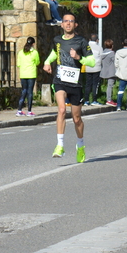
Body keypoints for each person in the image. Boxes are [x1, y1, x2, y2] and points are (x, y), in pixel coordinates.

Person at [42, 12, 96, 162]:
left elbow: (92, 62)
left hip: (76, 84)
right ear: (62, 24)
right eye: (65, 21)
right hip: (60, 80)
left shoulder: (81, 41)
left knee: (77, 118)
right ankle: (60, 145)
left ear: (75, 25)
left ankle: (80, 145)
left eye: (71, 21)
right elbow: (54, 53)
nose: (68, 24)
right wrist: (47, 62)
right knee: (61, 109)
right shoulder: (57, 40)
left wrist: (79, 58)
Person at [17, 36, 39, 116]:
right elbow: (37, 62)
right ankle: (29, 111)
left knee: (24, 91)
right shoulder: (35, 53)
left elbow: (18, 64)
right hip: (31, 74)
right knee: (30, 92)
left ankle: (19, 110)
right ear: (33, 44)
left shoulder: (20, 52)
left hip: (23, 74)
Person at [83, 36, 103, 106]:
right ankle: (94, 100)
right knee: (95, 84)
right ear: (97, 40)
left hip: (88, 68)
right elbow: (101, 57)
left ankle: (86, 100)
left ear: (89, 39)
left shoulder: (86, 46)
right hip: (97, 68)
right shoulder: (99, 48)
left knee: (88, 84)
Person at [99, 38, 117, 106]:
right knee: (110, 86)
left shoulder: (103, 53)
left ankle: (108, 99)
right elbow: (116, 62)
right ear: (112, 45)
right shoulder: (112, 53)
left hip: (104, 71)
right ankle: (109, 100)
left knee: (107, 86)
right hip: (111, 72)